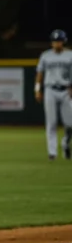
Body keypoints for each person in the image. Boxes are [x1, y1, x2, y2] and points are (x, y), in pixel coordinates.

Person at [35, 29, 72, 160]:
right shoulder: (45, 55)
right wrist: (37, 89)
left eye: (60, 41)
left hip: (65, 90)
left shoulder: (70, 55)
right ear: (51, 43)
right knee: (51, 122)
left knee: (70, 123)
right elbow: (40, 74)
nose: (57, 43)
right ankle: (52, 153)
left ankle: (65, 142)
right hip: (50, 89)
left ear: (64, 42)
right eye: (55, 41)